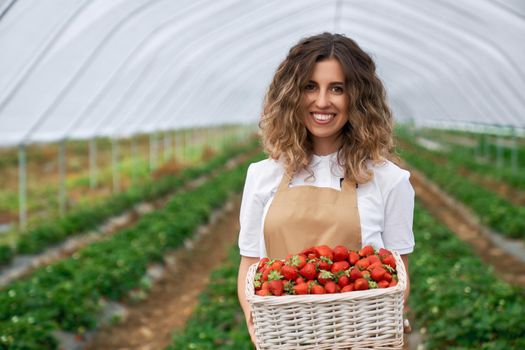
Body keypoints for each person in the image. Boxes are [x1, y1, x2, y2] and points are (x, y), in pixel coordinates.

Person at [236, 32, 415, 345]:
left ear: (358, 98)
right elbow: (250, 264)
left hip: (360, 340)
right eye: (309, 87)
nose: (321, 101)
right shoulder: (262, 176)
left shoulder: (389, 180)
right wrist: (256, 325)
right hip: (286, 338)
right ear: (292, 95)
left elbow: (398, 273)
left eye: (337, 89)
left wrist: (388, 319)